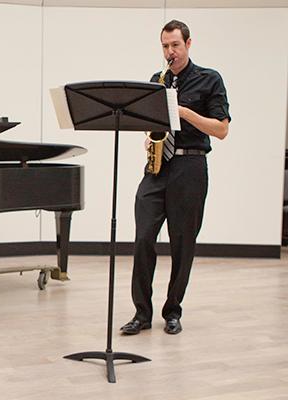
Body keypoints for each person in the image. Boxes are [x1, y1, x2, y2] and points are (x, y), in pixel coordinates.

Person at [121, 20, 230, 335]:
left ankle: (173, 311)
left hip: (190, 168)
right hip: (157, 168)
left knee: (183, 244)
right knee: (143, 239)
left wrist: (185, 113)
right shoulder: (157, 80)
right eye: (165, 46)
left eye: (175, 46)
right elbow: (149, 122)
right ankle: (142, 314)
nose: (170, 52)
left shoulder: (210, 80)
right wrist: (150, 136)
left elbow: (221, 130)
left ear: (189, 44)